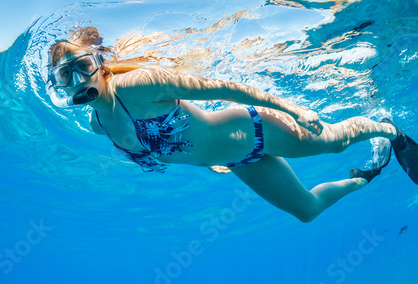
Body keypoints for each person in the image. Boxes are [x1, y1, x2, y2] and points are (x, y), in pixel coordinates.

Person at [45, 38, 417, 223]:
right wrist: (207, 161)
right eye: (66, 74)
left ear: (100, 65)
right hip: (239, 159)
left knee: (335, 143)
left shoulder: (139, 86)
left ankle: (390, 130)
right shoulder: (98, 125)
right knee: (307, 210)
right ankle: (366, 176)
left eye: (82, 65)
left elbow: (221, 88)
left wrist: (292, 108)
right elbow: (169, 146)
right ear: (59, 85)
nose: (79, 78)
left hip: (256, 130)